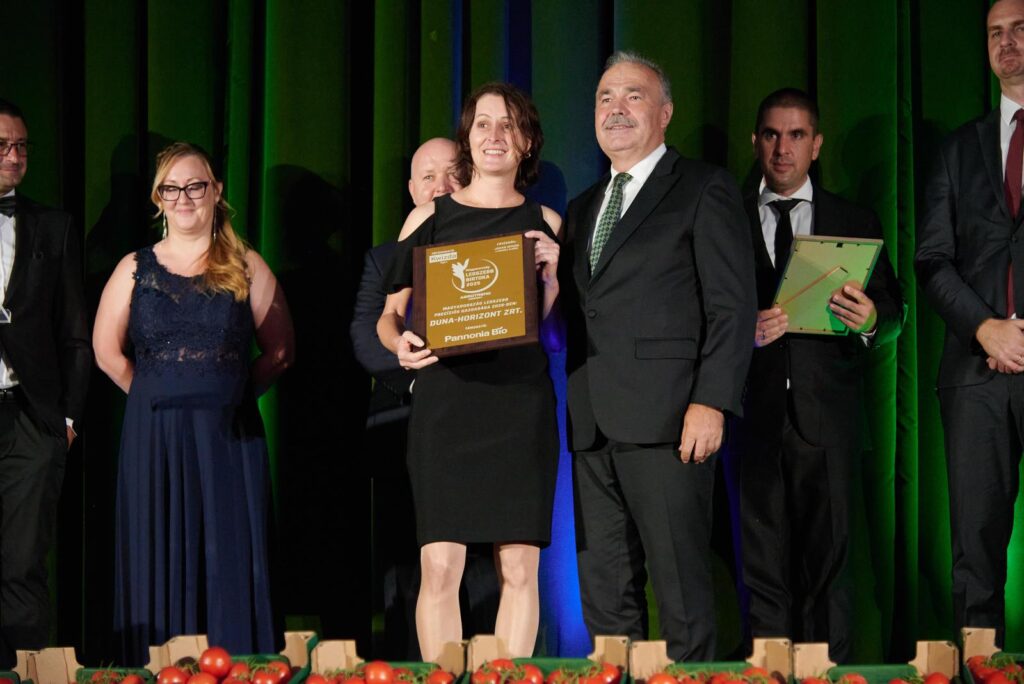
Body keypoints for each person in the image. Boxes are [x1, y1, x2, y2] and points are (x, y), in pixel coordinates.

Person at [559, 51, 756, 661]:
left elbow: (732, 306)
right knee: (605, 598)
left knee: (682, 596)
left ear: (665, 113)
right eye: (604, 98)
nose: (615, 109)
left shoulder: (702, 188)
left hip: (671, 422)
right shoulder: (582, 208)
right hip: (591, 425)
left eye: (633, 96)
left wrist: (712, 401)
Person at [376, 82, 562, 660]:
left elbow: (552, 330)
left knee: (520, 567)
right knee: (439, 566)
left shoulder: (547, 222)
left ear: (527, 141)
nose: (495, 135)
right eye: (483, 123)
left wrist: (554, 278)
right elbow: (388, 316)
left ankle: (509, 676)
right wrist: (401, 345)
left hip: (519, 405)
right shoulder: (428, 218)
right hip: (447, 408)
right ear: (467, 138)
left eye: (509, 124)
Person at [93, 142, 294, 664]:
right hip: (153, 439)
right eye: (171, 188)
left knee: (229, 557)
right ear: (157, 198)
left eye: (195, 185)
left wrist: (229, 395)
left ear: (216, 191)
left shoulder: (246, 265)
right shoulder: (134, 268)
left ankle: (238, 668)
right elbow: (106, 352)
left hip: (229, 439)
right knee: (157, 555)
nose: (183, 197)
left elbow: (280, 352)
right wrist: (156, 397)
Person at [737, 88, 904, 662]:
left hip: (828, 420)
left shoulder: (854, 219)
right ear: (755, 141)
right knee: (759, 570)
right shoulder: (725, 215)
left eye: (796, 135)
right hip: (750, 416)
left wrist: (871, 320)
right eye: (771, 135)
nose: (782, 149)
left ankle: (828, 675)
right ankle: (766, 674)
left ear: (817, 144)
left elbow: (893, 311)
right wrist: (741, 332)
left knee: (831, 570)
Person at [351, 137, 499, 658]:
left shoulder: (495, 252)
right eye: (428, 177)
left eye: (453, 173)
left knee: (483, 563)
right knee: (410, 567)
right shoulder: (384, 258)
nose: (441, 186)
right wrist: (425, 385)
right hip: (405, 423)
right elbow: (367, 338)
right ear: (412, 190)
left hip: (483, 427)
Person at [916, 0, 1024, 646]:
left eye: (1019, 30)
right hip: (975, 374)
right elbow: (932, 260)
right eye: (995, 33)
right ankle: (979, 673)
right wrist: (986, 329)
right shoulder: (958, 149)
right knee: (975, 555)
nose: (1006, 43)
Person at [0, 98, 90, 666]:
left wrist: (67, 420)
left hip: (29, 419)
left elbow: (75, 332)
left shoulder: (52, 227)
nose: (15, 156)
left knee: (23, 563)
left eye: (21, 146)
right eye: (2, 146)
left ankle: (26, 674)